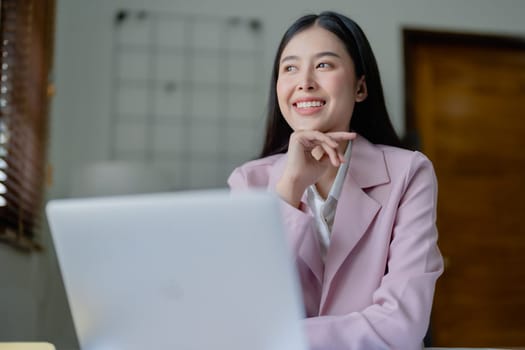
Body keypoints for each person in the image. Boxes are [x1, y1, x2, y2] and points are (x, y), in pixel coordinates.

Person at [228, 11, 443, 350]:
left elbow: (402, 324)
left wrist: (277, 338)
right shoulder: (247, 182)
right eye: (290, 68)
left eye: (324, 65)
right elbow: (239, 308)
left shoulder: (409, 173)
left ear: (360, 87)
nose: (305, 82)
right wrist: (290, 188)